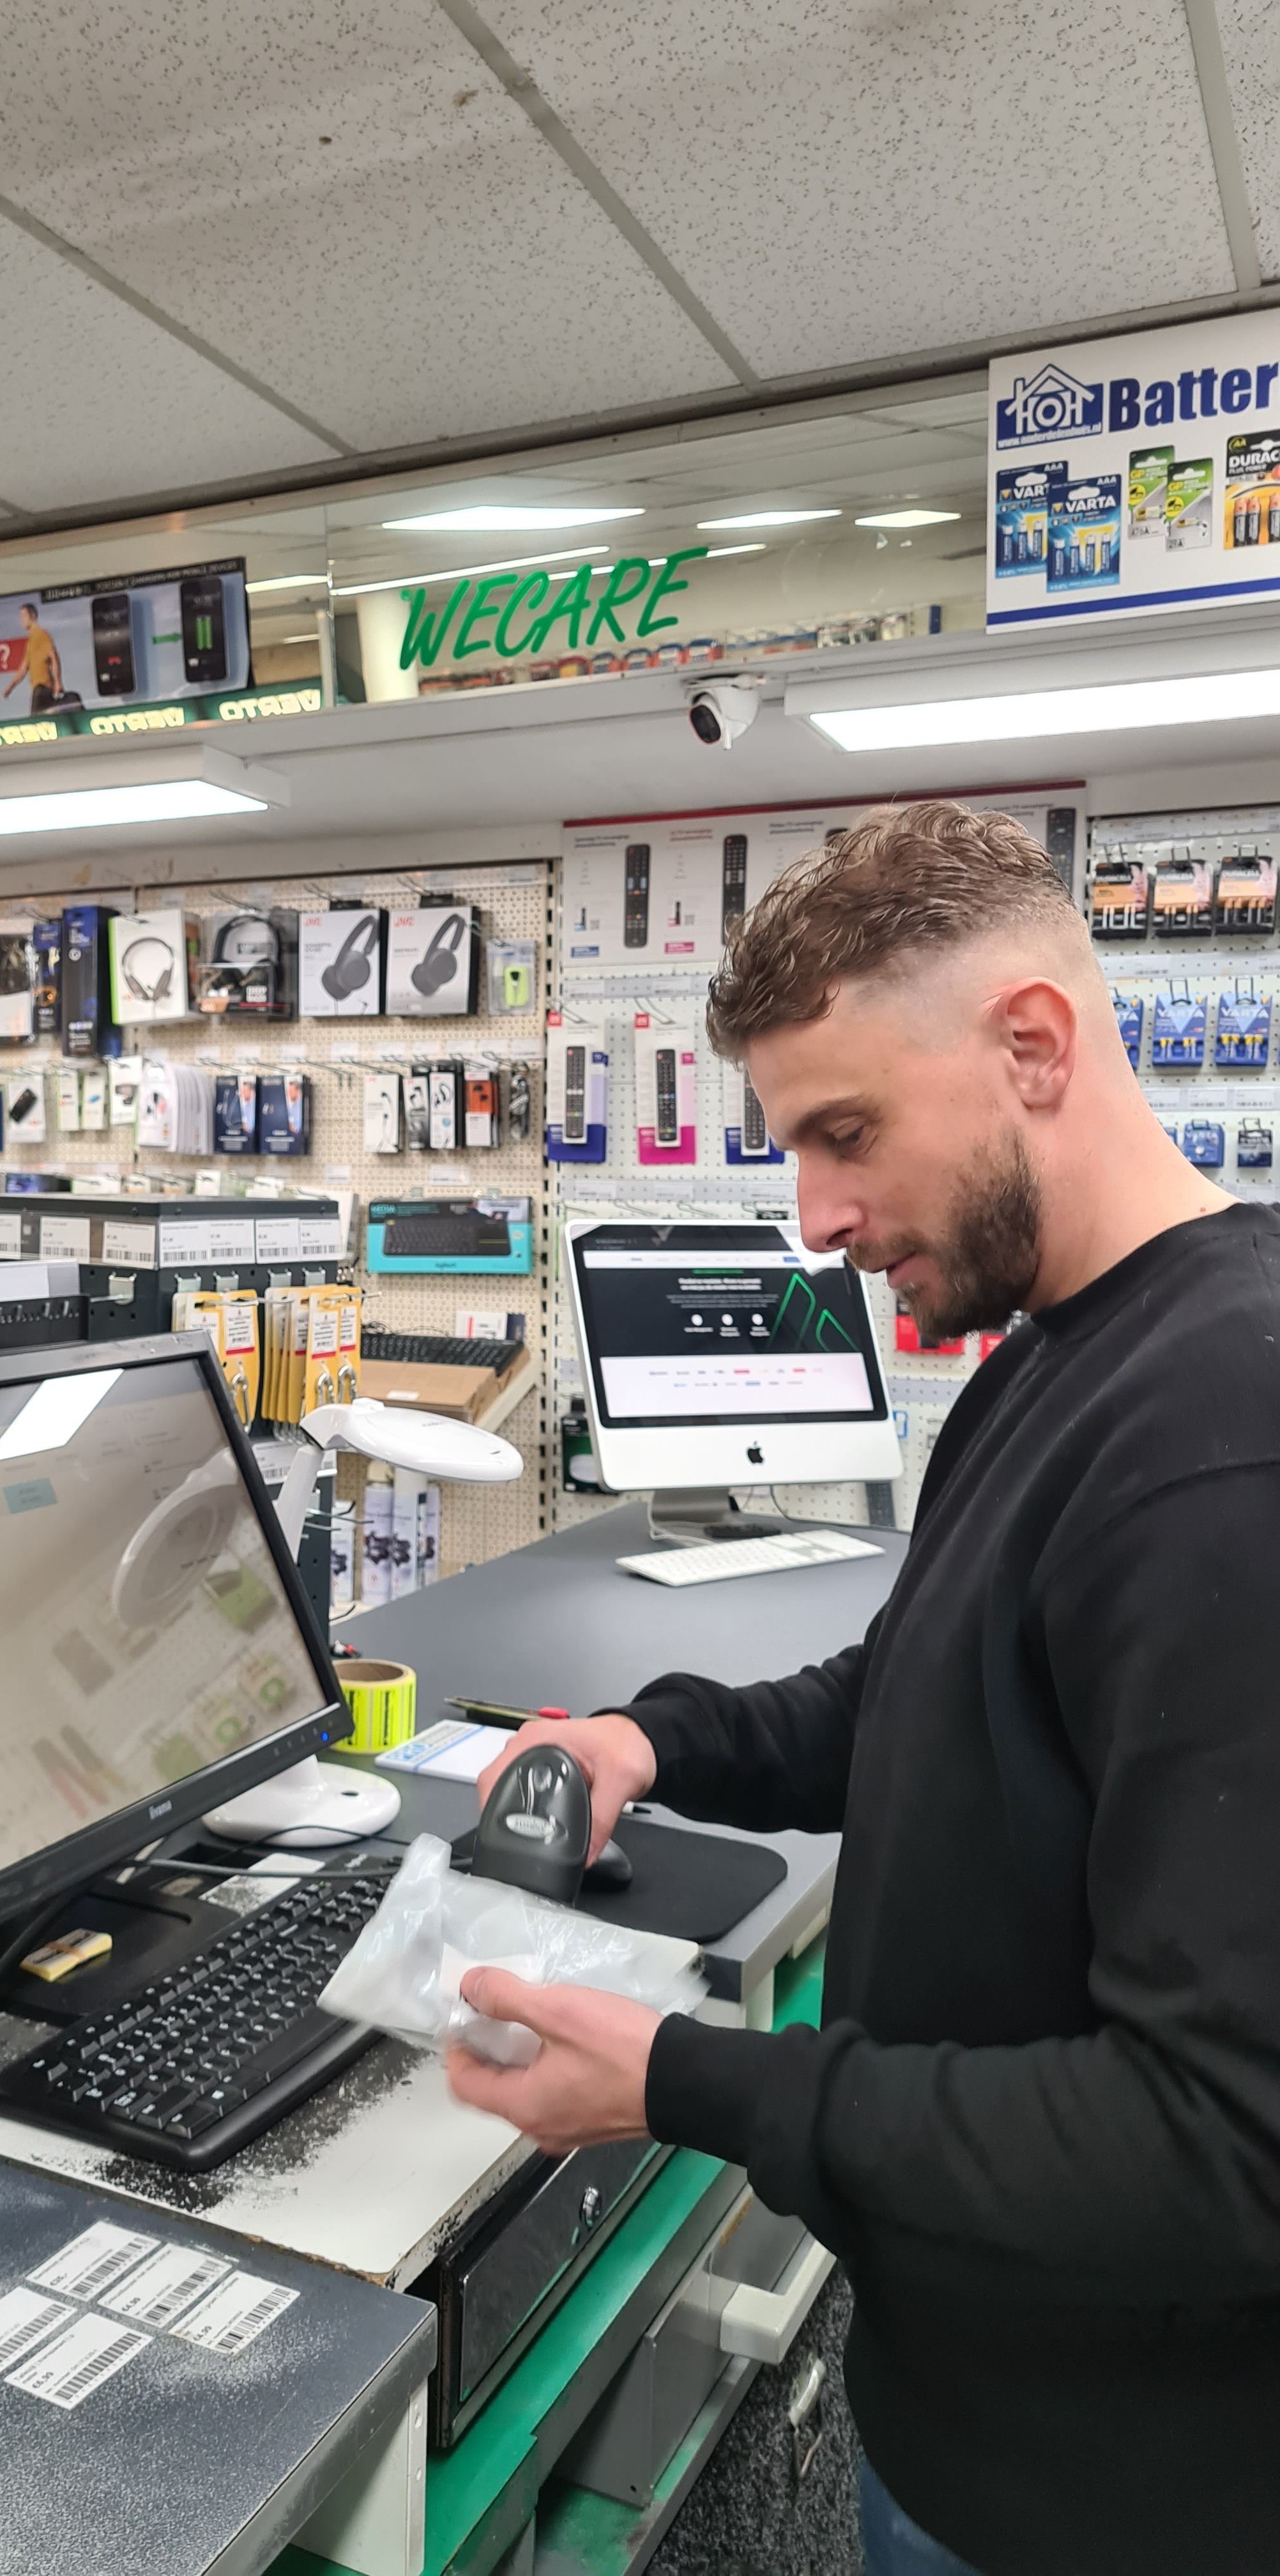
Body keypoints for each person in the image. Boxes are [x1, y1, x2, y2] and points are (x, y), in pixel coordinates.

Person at [446, 801, 1280, 2576]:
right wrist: (651, 1733)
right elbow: (921, 1698)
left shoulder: (1226, 1447)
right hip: (979, 2398)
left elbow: (1222, 2147)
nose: (815, 1222)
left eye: (845, 1135)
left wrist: (699, 2083)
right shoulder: (1063, 1353)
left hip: (1108, 2500)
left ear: (1033, 1048)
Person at [3, 602, 61, 714]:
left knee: (36, 725)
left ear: (33, 616)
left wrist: (58, 683)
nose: (22, 620)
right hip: (38, 689)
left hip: (43, 687)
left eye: (24, 616)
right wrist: (10, 688)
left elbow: (54, 657)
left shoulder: (40, 633)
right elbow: (23, 669)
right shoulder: (30, 642)